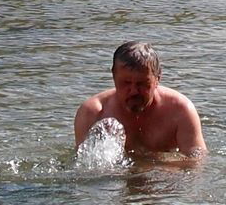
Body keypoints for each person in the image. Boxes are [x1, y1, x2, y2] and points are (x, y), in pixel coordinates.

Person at [75, 40, 206, 158]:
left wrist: (147, 170)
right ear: (114, 77)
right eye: (126, 83)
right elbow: (82, 166)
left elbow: (196, 163)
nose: (134, 91)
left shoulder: (180, 110)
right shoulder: (93, 112)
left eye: (142, 84)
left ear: (157, 79)